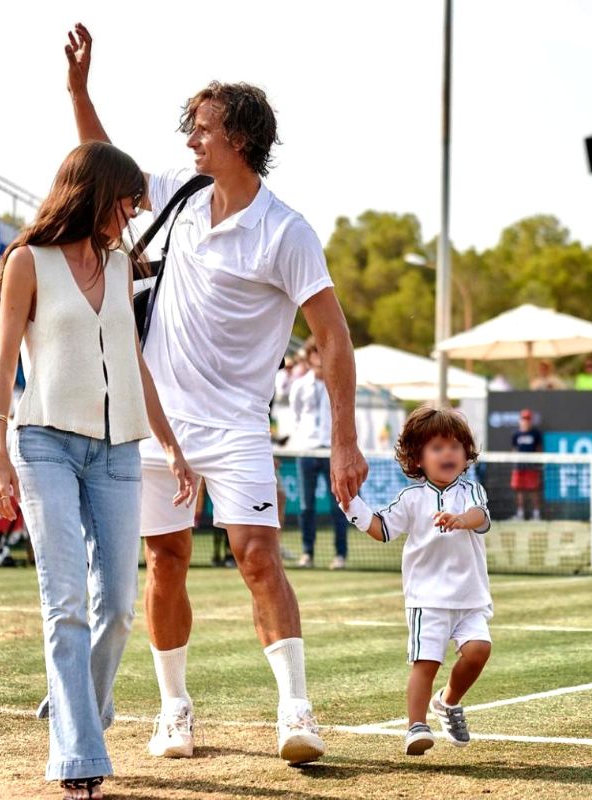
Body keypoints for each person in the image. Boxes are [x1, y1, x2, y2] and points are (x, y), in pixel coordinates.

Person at [65, 22, 367, 766]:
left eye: (203, 130)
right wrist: (78, 91)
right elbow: (105, 168)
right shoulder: (179, 198)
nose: (192, 141)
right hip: (158, 424)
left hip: (235, 428)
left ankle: (296, 710)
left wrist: (345, 437)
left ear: (240, 137)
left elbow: (333, 340)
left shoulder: (287, 231)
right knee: (164, 562)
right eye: (192, 129)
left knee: (257, 557)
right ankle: (175, 713)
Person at [0, 141, 196, 800]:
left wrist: (169, 442)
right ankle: (78, 755)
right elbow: (3, 362)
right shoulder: (29, 263)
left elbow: (133, 359)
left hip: (117, 450)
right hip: (44, 441)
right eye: (127, 201)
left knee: (122, 606)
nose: (133, 214)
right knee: (67, 603)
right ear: (98, 194)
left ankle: (79, 703)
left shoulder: (119, 263)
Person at [341, 406, 492, 756]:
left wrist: (459, 519)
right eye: (437, 447)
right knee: (427, 663)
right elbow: (382, 529)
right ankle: (416, 726)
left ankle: (448, 702)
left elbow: (480, 517)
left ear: (465, 453)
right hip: (427, 599)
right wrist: (352, 506)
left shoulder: (472, 491)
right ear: (418, 458)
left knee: (479, 650)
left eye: (455, 446)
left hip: (470, 597)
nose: (448, 453)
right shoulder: (411, 498)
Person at [290, 337, 349, 570]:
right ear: (309, 357)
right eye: (313, 353)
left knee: (339, 506)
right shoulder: (299, 385)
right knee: (306, 506)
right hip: (306, 449)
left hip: (331, 451)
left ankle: (340, 555)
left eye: (320, 352)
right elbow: (295, 416)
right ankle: (307, 553)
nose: (317, 357)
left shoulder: (336, 383)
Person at [510, 408, 543, 521]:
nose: (526, 421)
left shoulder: (536, 434)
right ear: (520, 420)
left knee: (534, 490)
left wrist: (537, 463)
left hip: (532, 467)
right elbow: (513, 449)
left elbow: (539, 449)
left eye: (528, 419)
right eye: (524, 419)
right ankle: (520, 514)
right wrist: (514, 463)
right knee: (519, 491)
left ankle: (536, 514)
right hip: (519, 467)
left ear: (531, 421)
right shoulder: (516, 434)